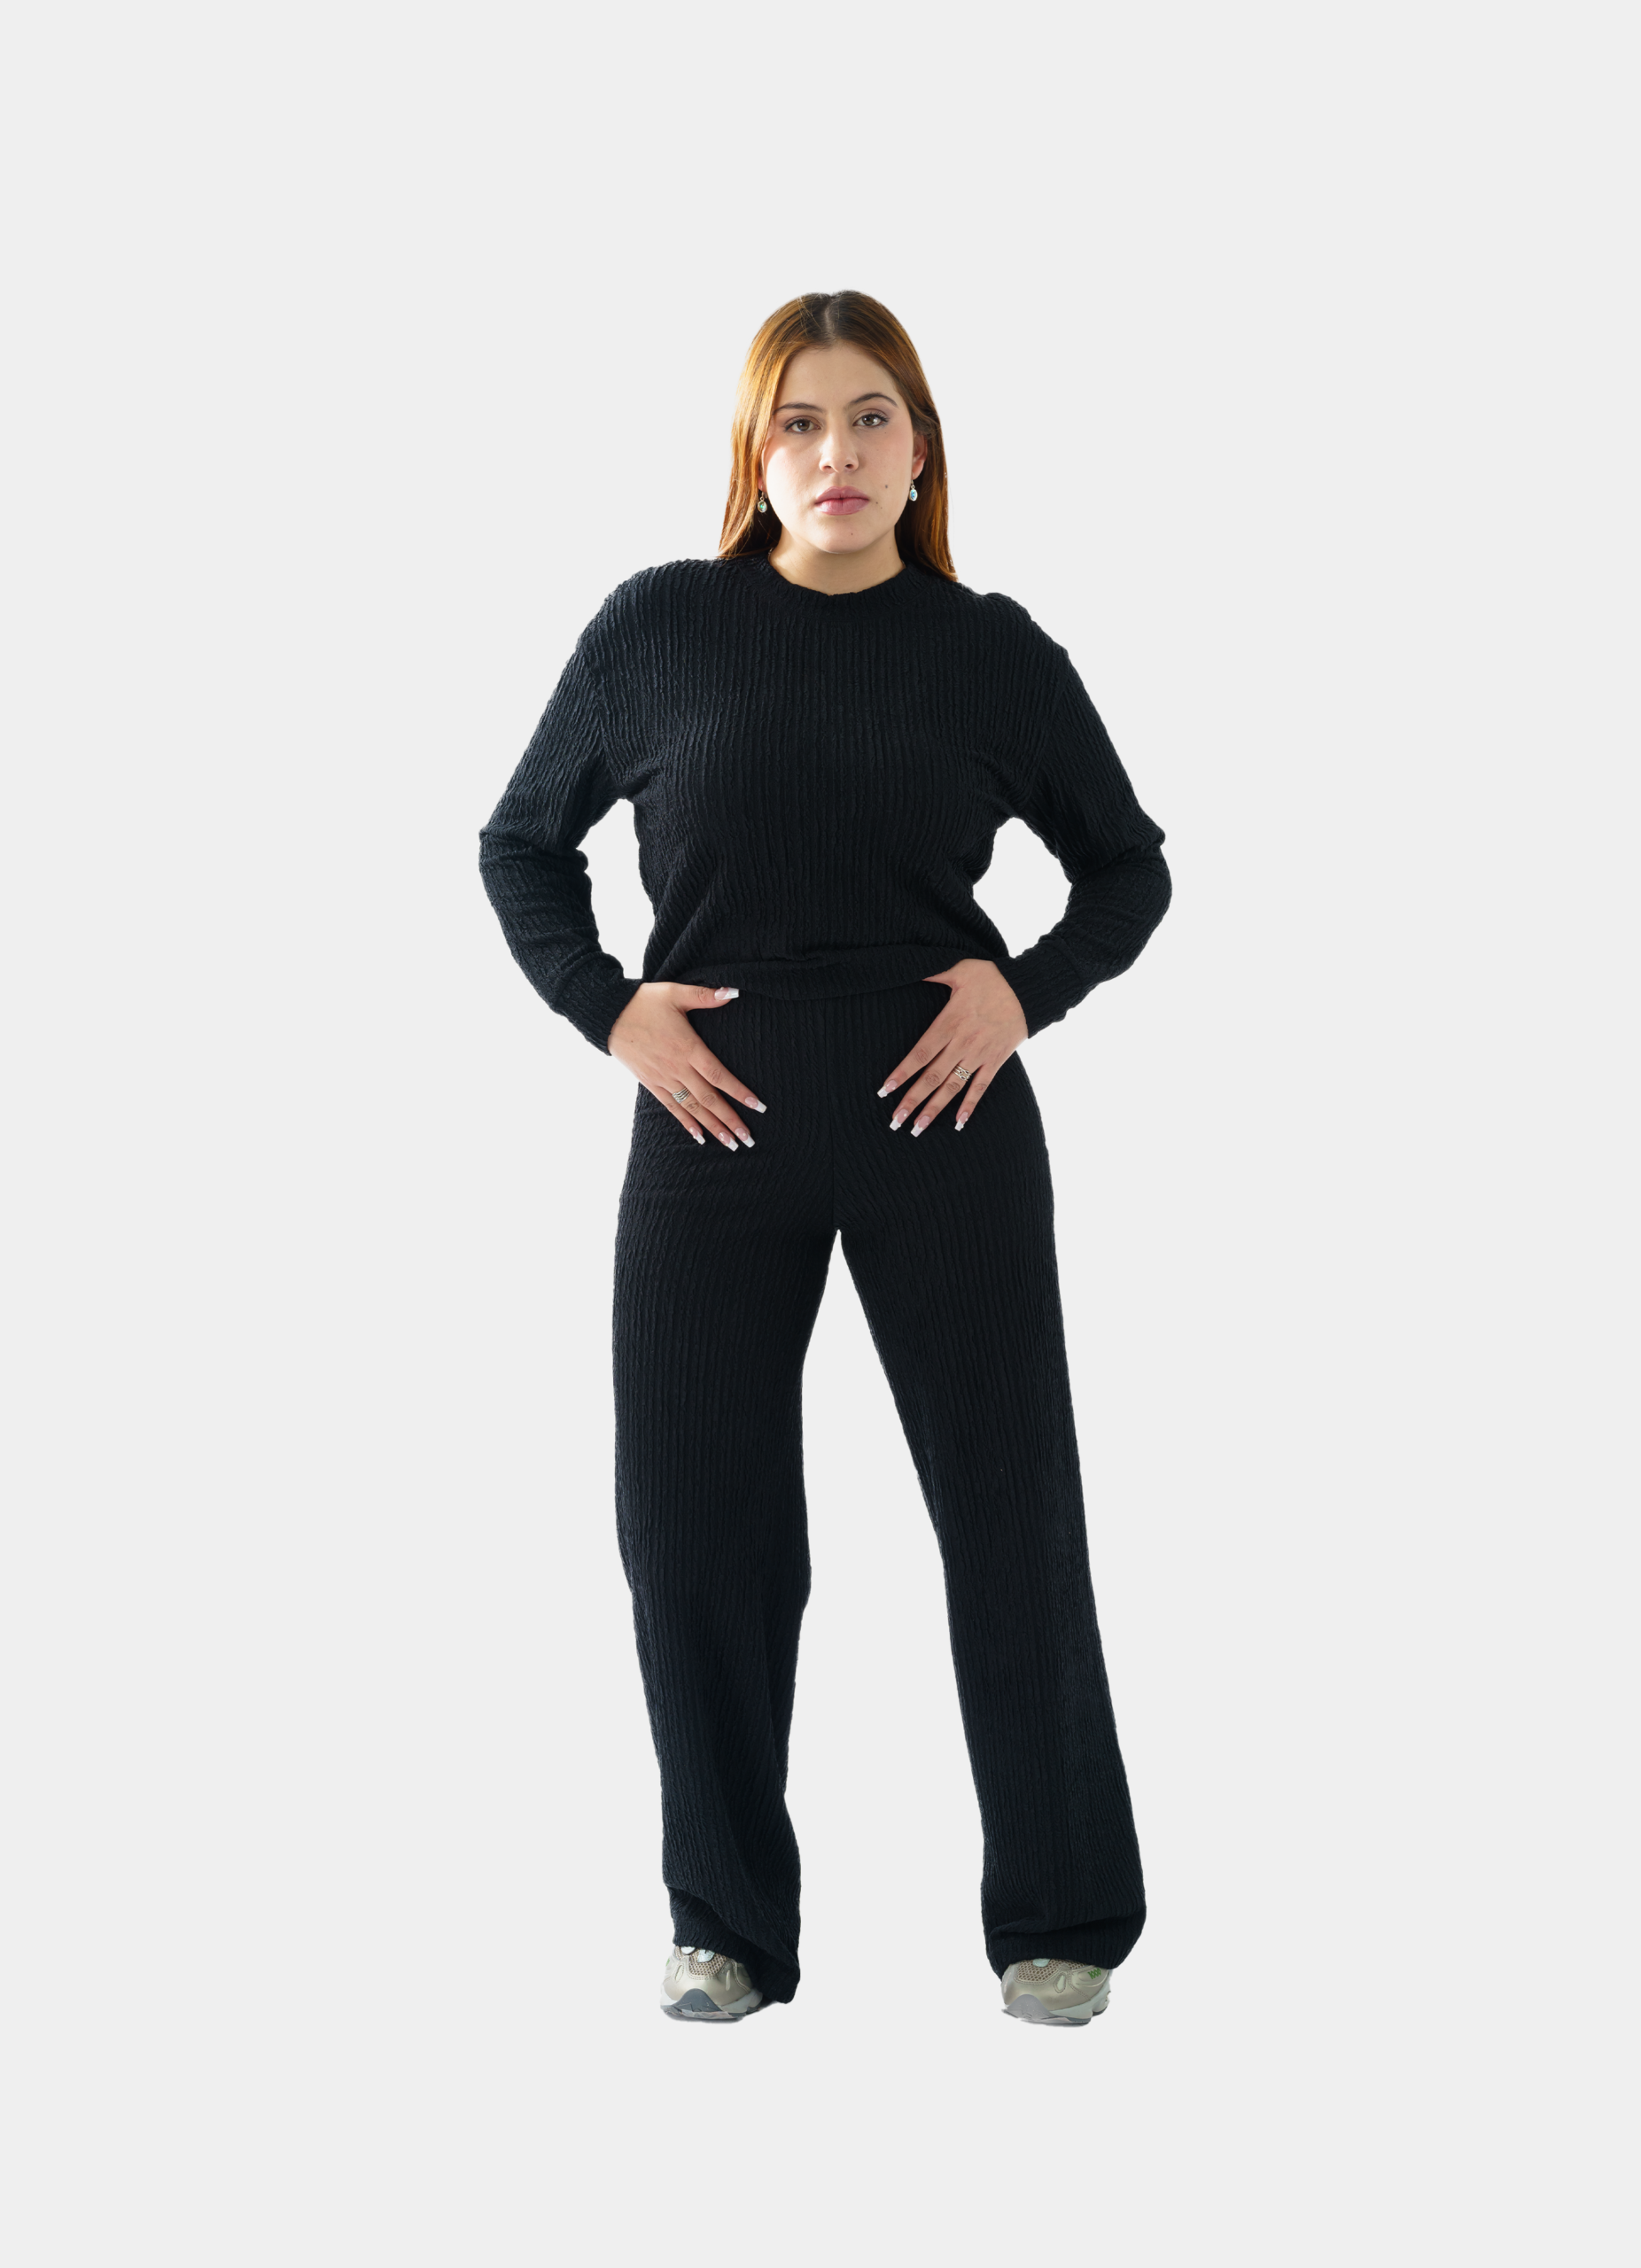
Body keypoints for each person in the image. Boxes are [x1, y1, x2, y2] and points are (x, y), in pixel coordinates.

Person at [478, 290, 1172, 2027]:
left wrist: (1024, 990)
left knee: (1008, 1517)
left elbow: (1128, 866)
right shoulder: (659, 627)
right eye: (799, 419)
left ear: (920, 448)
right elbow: (520, 843)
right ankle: (722, 1924)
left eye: (871, 417)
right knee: (694, 1530)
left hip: (943, 1122)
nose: (836, 452)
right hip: (708, 1129)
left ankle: (1063, 1919)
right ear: (754, 448)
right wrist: (610, 1011)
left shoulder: (989, 650)